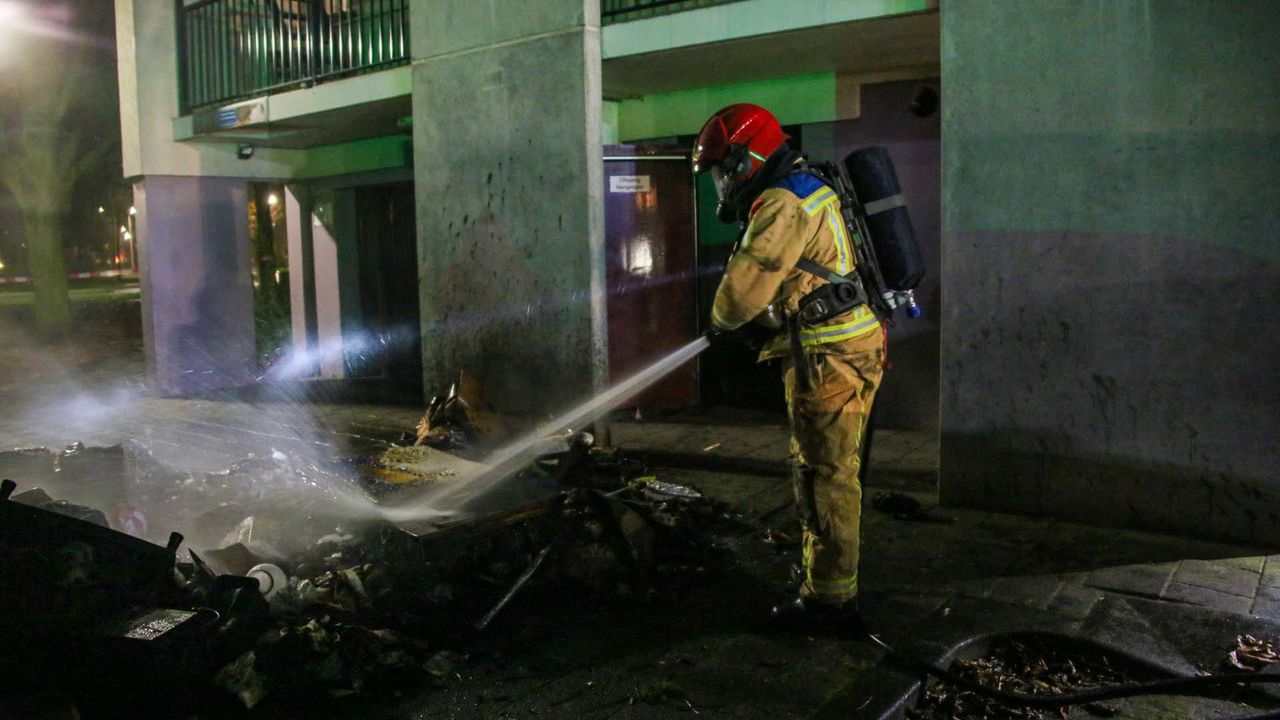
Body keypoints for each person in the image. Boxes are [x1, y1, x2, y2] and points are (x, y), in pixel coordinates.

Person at [693, 103, 884, 634]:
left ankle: (830, 603)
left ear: (748, 158)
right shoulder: (808, 185)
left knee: (823, 475)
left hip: (828, 358)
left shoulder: (782, 202)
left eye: (723, 169)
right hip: (849, 344)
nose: (722, 182)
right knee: (836, 469)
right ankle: (828, 578)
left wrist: (721, 322)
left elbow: (740, 296)